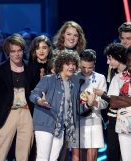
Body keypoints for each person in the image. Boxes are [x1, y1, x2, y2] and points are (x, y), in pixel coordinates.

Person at [30, 50, 81, 161]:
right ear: (61, 65)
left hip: (61, 127)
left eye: (73, 64)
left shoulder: (74, 84)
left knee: (53, 158)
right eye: (68, 64)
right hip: (45, 124)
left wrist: (88, 104)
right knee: (43, 158)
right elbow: (33, 94)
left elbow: (76, 107)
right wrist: (39, 101)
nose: (71, 67)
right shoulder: (48, 79)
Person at [0, 33, 33, 161]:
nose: (16, 54)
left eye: (19, 50)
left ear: (23, 50)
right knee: (0, 154)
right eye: (13, 51)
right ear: (8, 52)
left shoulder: (31, 68)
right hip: (8, 113)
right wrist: (3, 107)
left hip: (27, 113)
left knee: (23, 155)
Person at [53, 20, 87, 161]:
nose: (72, 38)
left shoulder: (83, 57)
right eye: (69, 34)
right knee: (56, 152)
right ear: (62, 35)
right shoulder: (54, 54)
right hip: (56, 109)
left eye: (75, 35)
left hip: (77, 110)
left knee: (76, 152)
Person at [71, 49, 108, 161]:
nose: (86, 70)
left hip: (94, 120)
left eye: (90, 67)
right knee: (76, 156)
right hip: (77, 120)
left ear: (94, 64)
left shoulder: (100, 78)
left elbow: (105, 103)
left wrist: (94, 102)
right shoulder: (73, 77)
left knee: (91, 157)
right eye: (83, 67)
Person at [95, 43, 126, 161]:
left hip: (126, 121)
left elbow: (121, 100)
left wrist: (102, 94)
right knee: (113, 154)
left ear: (118, 56)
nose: (108, 62)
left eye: (110, 59)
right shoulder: (112, 72)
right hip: (113, 120)